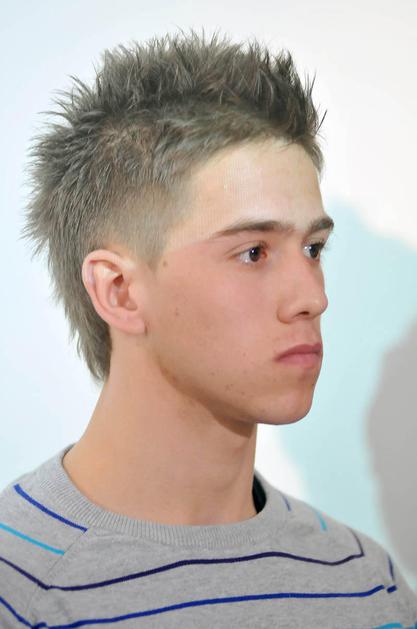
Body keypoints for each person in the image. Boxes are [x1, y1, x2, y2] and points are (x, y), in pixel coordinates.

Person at [1, 28, 416, 629]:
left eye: (313, 248)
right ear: (118, 291)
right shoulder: (17, 587)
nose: (314, 298)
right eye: (253, 252)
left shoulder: (366, 583)